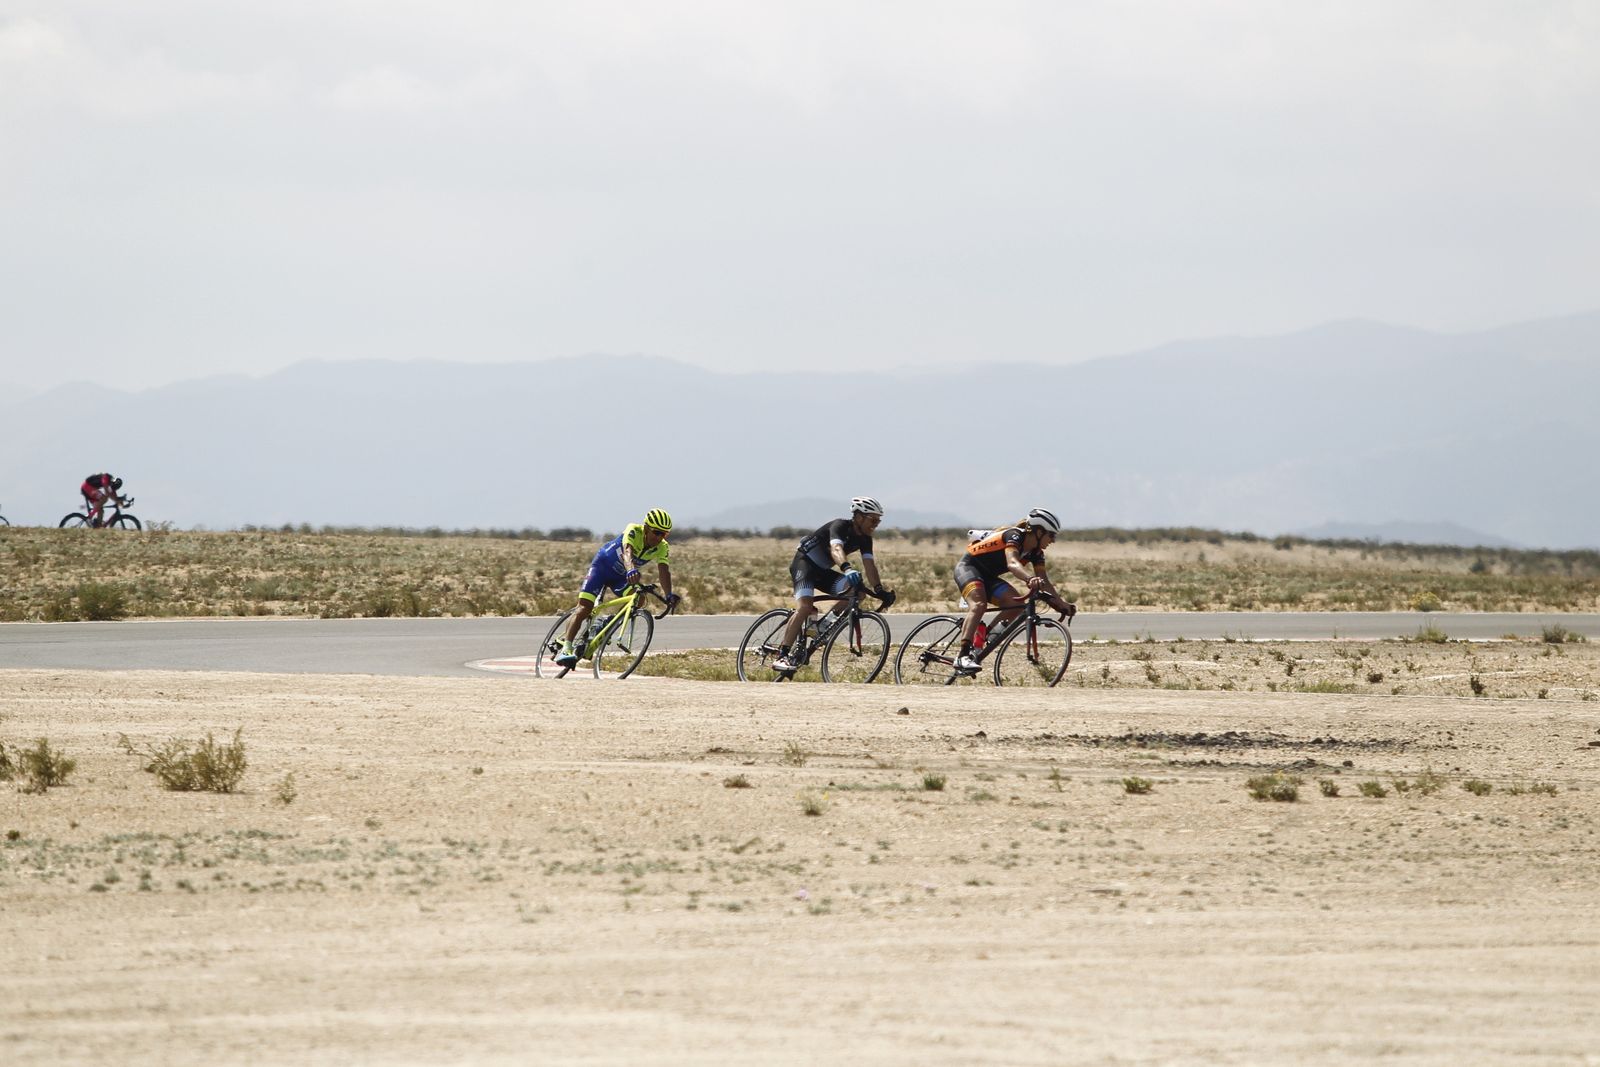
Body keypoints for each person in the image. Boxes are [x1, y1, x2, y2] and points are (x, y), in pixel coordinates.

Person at [770, 497, 891, 672]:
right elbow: (836, 549)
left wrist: (879, 590)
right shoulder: (839, 526)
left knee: (857, 593)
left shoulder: (865, 539)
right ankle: (782, 656)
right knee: (805, 607)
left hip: (822, 572)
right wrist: (847, 568)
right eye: (873, 520)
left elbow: (869, 565)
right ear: (859, 517)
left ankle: (822, 627)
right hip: (804, 565)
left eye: (878, 521)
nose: (876, 524)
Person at [951, 507, 1076, 673]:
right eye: (1051, 535)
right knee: (979, 604)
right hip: (968, 568)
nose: (1053, 540)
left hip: (988, 577)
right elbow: (1012, 563)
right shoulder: (1014, 536)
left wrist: (1061, 605)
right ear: (1039, 532)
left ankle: (981, 638)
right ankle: (962, 656)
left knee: (1016, 605)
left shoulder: (1036, 553)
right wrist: (1029, 579)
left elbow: (1045, 581)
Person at [554, 509, 679, 667]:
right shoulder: (634, 530)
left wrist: (669, 595)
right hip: (602, 567)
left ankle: (606, 623)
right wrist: (631, 569)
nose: (659, 538)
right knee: (585, 607)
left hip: (620, 577)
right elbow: (627, 551)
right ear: (646, 528)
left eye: (664, 534)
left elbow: (664, 571)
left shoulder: (662, 547)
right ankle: (566, 649)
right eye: (656, 532)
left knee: (639, 600)